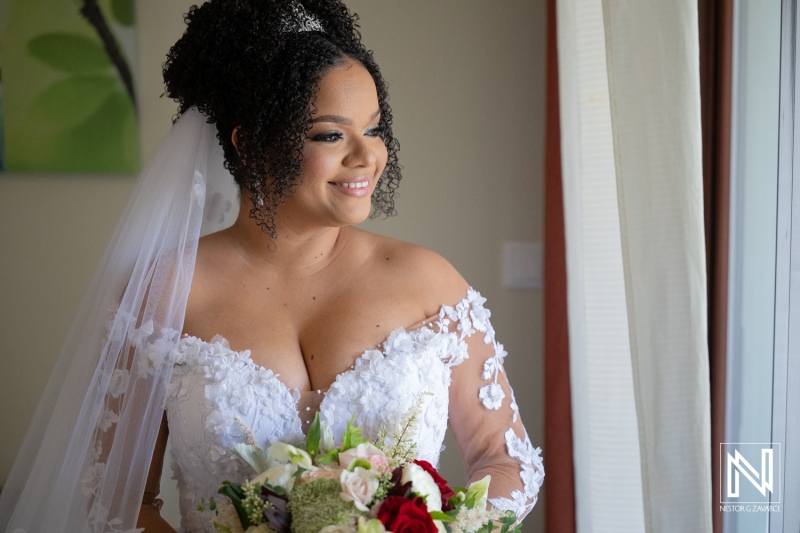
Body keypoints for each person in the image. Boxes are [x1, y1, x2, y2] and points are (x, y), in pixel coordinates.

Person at [0, 1, 543, 532]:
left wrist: (449, 529)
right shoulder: (162, 295)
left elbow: (506, 459)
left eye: (373, 129)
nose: (366, 156)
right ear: (251, 144)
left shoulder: (430, 285)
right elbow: (117, 502)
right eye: (330, 135)